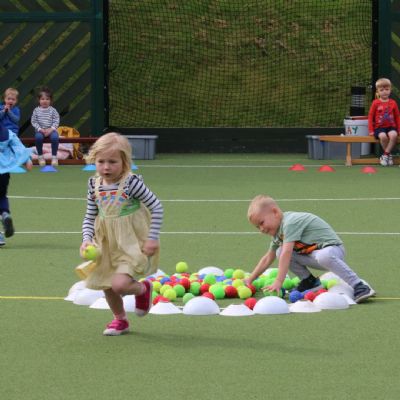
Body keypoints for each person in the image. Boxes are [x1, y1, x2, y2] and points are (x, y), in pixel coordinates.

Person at [80, 132, 163, 335]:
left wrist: (152, 237)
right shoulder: (94, 185)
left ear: (124, 162)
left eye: (112, 162)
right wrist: (86, 239)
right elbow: (90, 216)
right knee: (106, 283)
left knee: (119, 284)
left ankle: (142, 290)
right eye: (101, 161)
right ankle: (120, 320)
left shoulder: (131, 183)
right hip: (105, 243)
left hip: (131, 242)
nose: (106, 167)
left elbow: (157, 207)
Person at [245, 195, 375, 303]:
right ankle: (310, 281)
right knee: (279, 251)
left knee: (310, 254)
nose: (261, 229)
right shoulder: (277, 234)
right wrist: (250, 279)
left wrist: (279, 281)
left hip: (333, 251)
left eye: (262, 223)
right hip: (314, 256)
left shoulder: (290, 222)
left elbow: (287, 252)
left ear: (275, 212)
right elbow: (269, 257)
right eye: (257, 227)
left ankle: (359, 285)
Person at [0, 123, 32, 246]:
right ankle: (5, 214)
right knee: (2, 196)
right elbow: (19, 147)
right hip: (3, 171)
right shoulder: (7, 133)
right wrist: (27, 160)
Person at [368, 78, 400, 166]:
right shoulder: (375, 103)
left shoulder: (393, 103)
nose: (384, 92)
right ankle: (388, 155)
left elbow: (397, 116)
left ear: (390, 90)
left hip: (391, 127)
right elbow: (370, 116)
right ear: (377, 91)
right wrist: (371, 130)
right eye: (381, 90)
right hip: (379, 127)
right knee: (383, 136)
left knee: (393, 135)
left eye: (387, 89)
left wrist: (398, 129)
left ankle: (385, 155)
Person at [31, 86, 60, 167]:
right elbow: (33, 121)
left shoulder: (53, 110)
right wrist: (40, 129)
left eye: (47, 99)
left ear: (50, 100)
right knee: (38, 138)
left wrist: (51, 129)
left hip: (51, 130)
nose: (45, 101)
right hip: (40, 130)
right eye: (43, 99)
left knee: (55, 138)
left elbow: (56, 120)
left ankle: (54, 157)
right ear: (39, 100)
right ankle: (40, 156)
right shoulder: (36, 110)